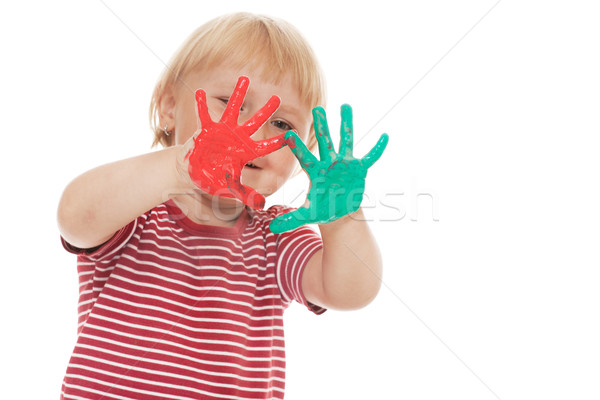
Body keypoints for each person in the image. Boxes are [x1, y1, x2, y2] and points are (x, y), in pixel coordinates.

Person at [57, 12, 387, 400]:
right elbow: (75, 218)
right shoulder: (136, 213)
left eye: (281, 124)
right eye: (230, 103)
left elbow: (351, 291)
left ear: (304, 150)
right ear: (167, 107)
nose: (252, 133)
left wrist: (341, 217)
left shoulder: (277, 237)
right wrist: (182, 168)